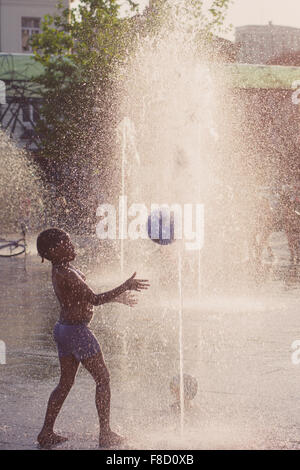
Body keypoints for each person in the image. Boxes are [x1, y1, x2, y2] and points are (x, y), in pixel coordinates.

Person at [36, 228, 150, 448]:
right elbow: (95, 300)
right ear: (53, 251)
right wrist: (124, 286)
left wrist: (117, 299)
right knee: (103, 379)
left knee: (65, 383)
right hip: (77, 332)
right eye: (65, 243)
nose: (71, 245)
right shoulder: (66, 273)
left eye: (70, 240)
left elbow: (83, 299)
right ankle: (105, 433)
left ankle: (46, 432)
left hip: (64, 329)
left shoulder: (63, 269)